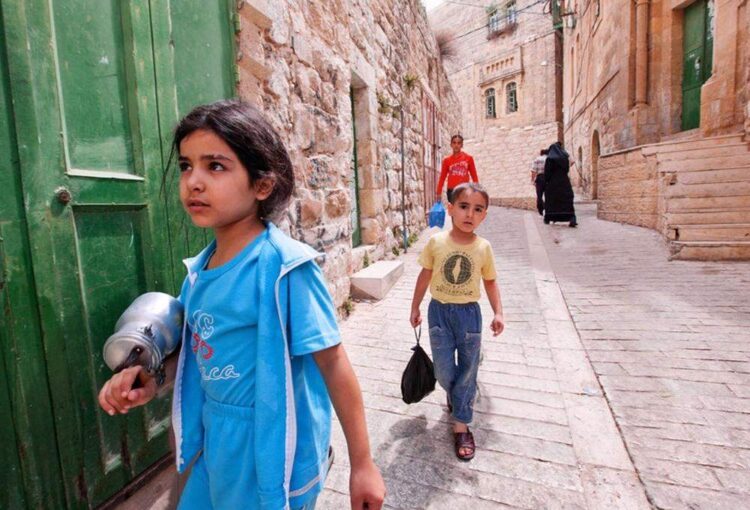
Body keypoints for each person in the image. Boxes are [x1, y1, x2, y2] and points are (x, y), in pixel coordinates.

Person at [98, 100, 386, 510]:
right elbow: (198, 353)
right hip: (216, 443)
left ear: (261, 186)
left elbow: (334, 364)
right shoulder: (199, 273)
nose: (193, 182)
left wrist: (363, 464)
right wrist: (150, 380)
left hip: (272, 451)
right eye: (185, 166)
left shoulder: (286, 270)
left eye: (215, 166)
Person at [409, 182, 504, 462]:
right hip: (439, 312)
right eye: (463, 206)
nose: (469, 214)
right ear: (450, 208)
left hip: (469, 315)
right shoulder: (436, 243)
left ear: (484, 215)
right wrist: (415, 306)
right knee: (443, 370)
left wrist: (498, 312)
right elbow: (425, 275)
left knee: (468, 370)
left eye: (478, 209)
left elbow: (490, 281)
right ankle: (458, 392)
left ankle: (461, 425)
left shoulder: (483, 247)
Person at [543, 142, 578, 227]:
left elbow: (547, 172)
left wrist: (546, 182)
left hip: (552, 183)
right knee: (567, 199)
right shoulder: (565, 157)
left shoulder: (549, 158)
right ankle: (571, 218)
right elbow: (567, 169)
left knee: (552, 201)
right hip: (564, 181)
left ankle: (549, 217)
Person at [436, 134, 479, 204]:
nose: (456, 145)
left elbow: (474, 176)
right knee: (454, 210)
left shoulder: (468, 158)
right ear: (451, 145)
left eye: (459, 143)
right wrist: (438, 192)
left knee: (463, 209)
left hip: (464, 190)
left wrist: (476, 191)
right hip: (451, 191)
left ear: (462, 145)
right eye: (454, 143)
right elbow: (442, 178)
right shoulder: (447, 161)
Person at [531, 149, 548, 216]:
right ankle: (547, 208)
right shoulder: (549, 159)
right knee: (548, 195)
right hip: (548, 178)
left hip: (540, 178)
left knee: (539, 195)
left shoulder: (537, 159)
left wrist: (532, 180)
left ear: (541, 153)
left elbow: (533, 170)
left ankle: (541, 209)